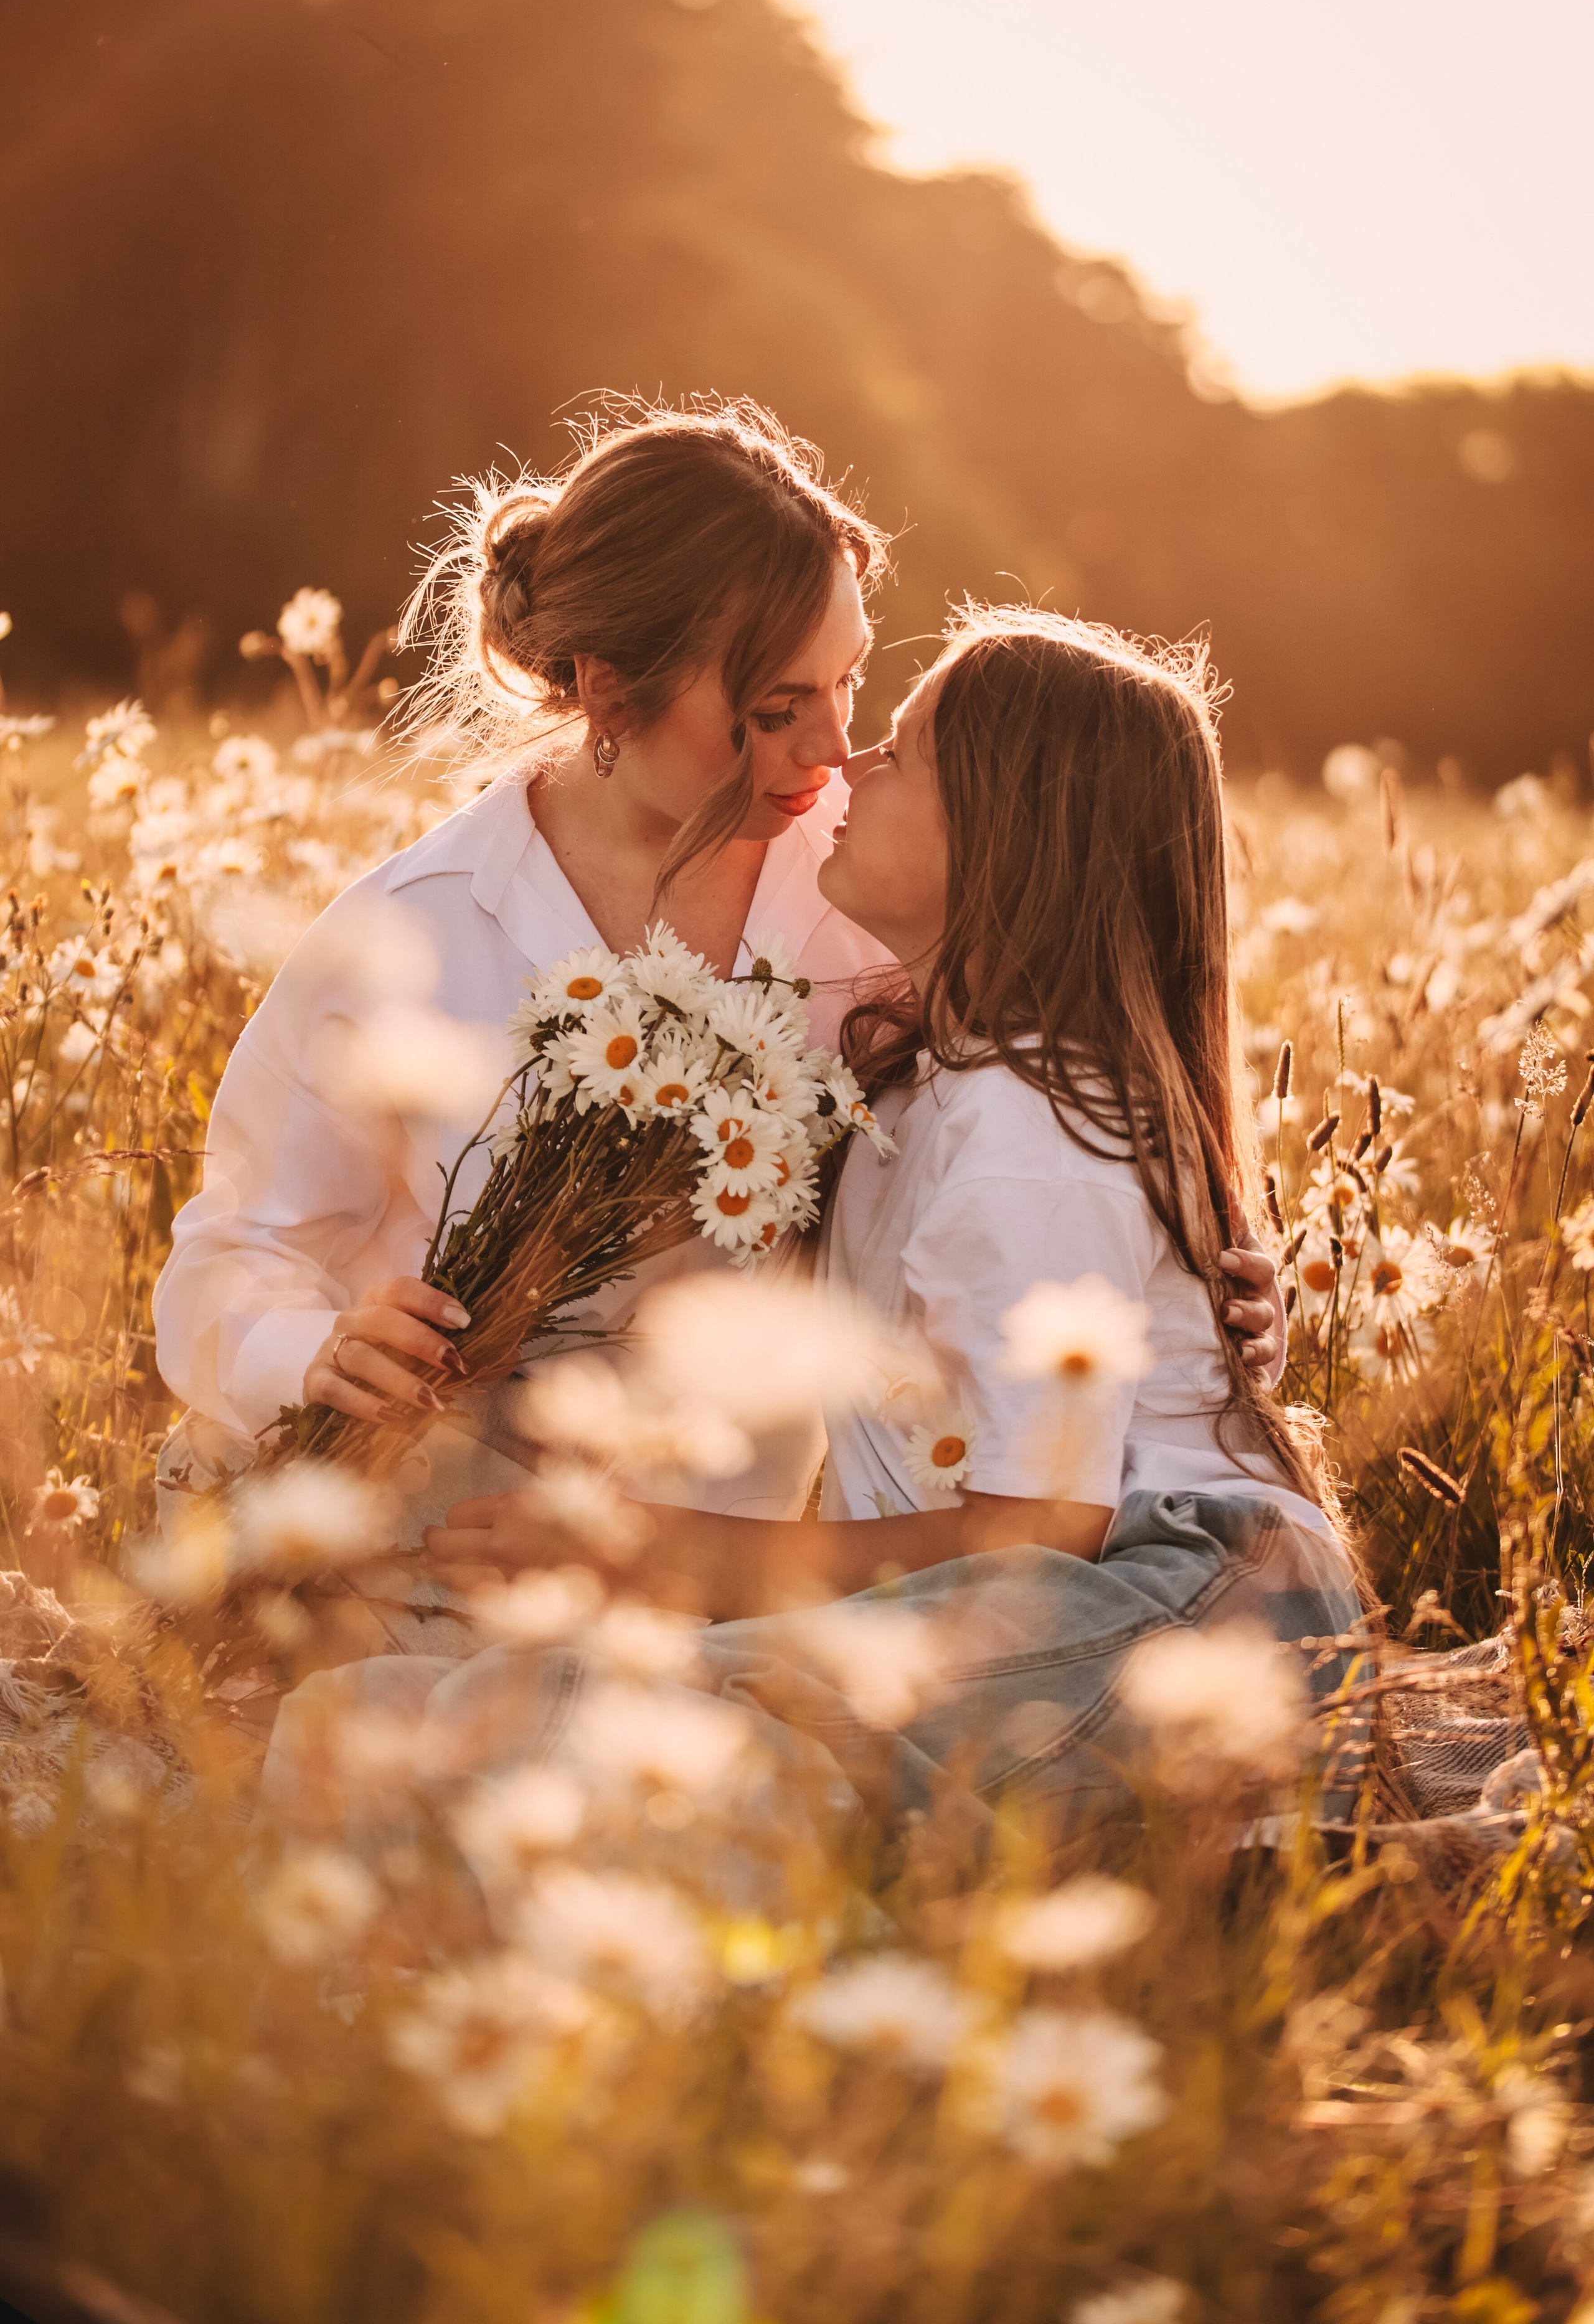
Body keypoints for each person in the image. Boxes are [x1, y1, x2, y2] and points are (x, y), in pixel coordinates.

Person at [154, 402, 1284, 1648]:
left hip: (776, 1591)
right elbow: (227, 1256)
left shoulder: (876, 891)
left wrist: (1211, 1290)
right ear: (603, 690)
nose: (833, 751)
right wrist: (314, 1352)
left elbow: (1055, 1126)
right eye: (771, 707)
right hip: (457, 1565)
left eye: (849, 682)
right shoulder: (412, 934)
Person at [398, 606, 1361, 1845]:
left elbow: (1037, 1539)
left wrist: (657, 1552)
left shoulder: (1030, 1130)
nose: (850, 765)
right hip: (1080, 1601)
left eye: (901, 751)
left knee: (584, 1721)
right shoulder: (924, 1081)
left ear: (1008, 833)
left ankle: (1197, 1852)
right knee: (512, 1717)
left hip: (1181, 1606)